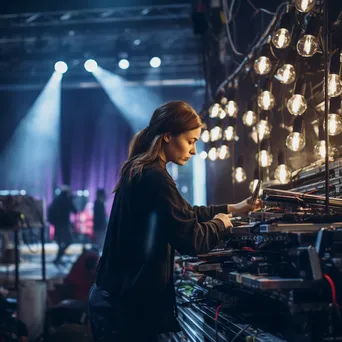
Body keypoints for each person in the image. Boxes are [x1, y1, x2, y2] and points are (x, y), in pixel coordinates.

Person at [88, 101, 261, 341]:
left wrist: (233, 208)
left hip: (115, 301)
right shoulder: (155, 177)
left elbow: (182, 212)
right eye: (190, 141)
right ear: (168, 135)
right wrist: (222, 223)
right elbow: (192, 240)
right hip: (124, 310)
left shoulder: (143, 169)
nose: (193, 150)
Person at [50, 185, 77, 266]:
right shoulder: (67, 199)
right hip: (64, 225)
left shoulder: (56, 199)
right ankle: (58, 258)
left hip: (57, 225)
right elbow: (75, 210)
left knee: (60, 243)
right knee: (69, 241)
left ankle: (58, 258)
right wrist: (72, 200)